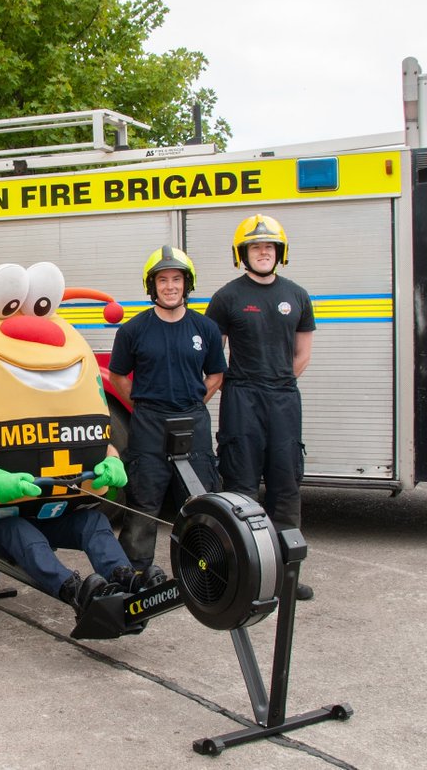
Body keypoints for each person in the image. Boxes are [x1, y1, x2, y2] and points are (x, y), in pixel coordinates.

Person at [205, 214, 316, 600]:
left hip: (283, 400)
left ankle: (286, 577)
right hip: (241, 399)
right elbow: (212, 356)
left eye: (269, 246)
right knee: (241, 490)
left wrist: (278, 383)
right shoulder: (226, 298)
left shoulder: (298, 295)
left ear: (280, 252)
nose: (263, 252)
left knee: (286, 487)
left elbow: (302, 354)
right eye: (255, 247)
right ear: (243, 254)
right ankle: (243, 577)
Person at [108, 246, 226, 580]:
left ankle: (204, 565)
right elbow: (117, 376)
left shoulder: (206, 329)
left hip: (192, 422)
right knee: (145, 497)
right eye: (163, 279)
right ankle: (135, 569)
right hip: (149, 424)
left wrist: (194, 404)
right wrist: (144, 404)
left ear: (187, 285)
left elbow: (216, 375)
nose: (170, 286)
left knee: (201, 498)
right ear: (152, 286)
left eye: (176, 279)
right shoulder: (133, 330)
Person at [0, 445, 159, 615]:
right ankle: (75, 591)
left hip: (48, 513)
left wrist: (113, 459)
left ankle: (124, 577)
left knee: (93, 521)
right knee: (22, 532)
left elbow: (99, 441)